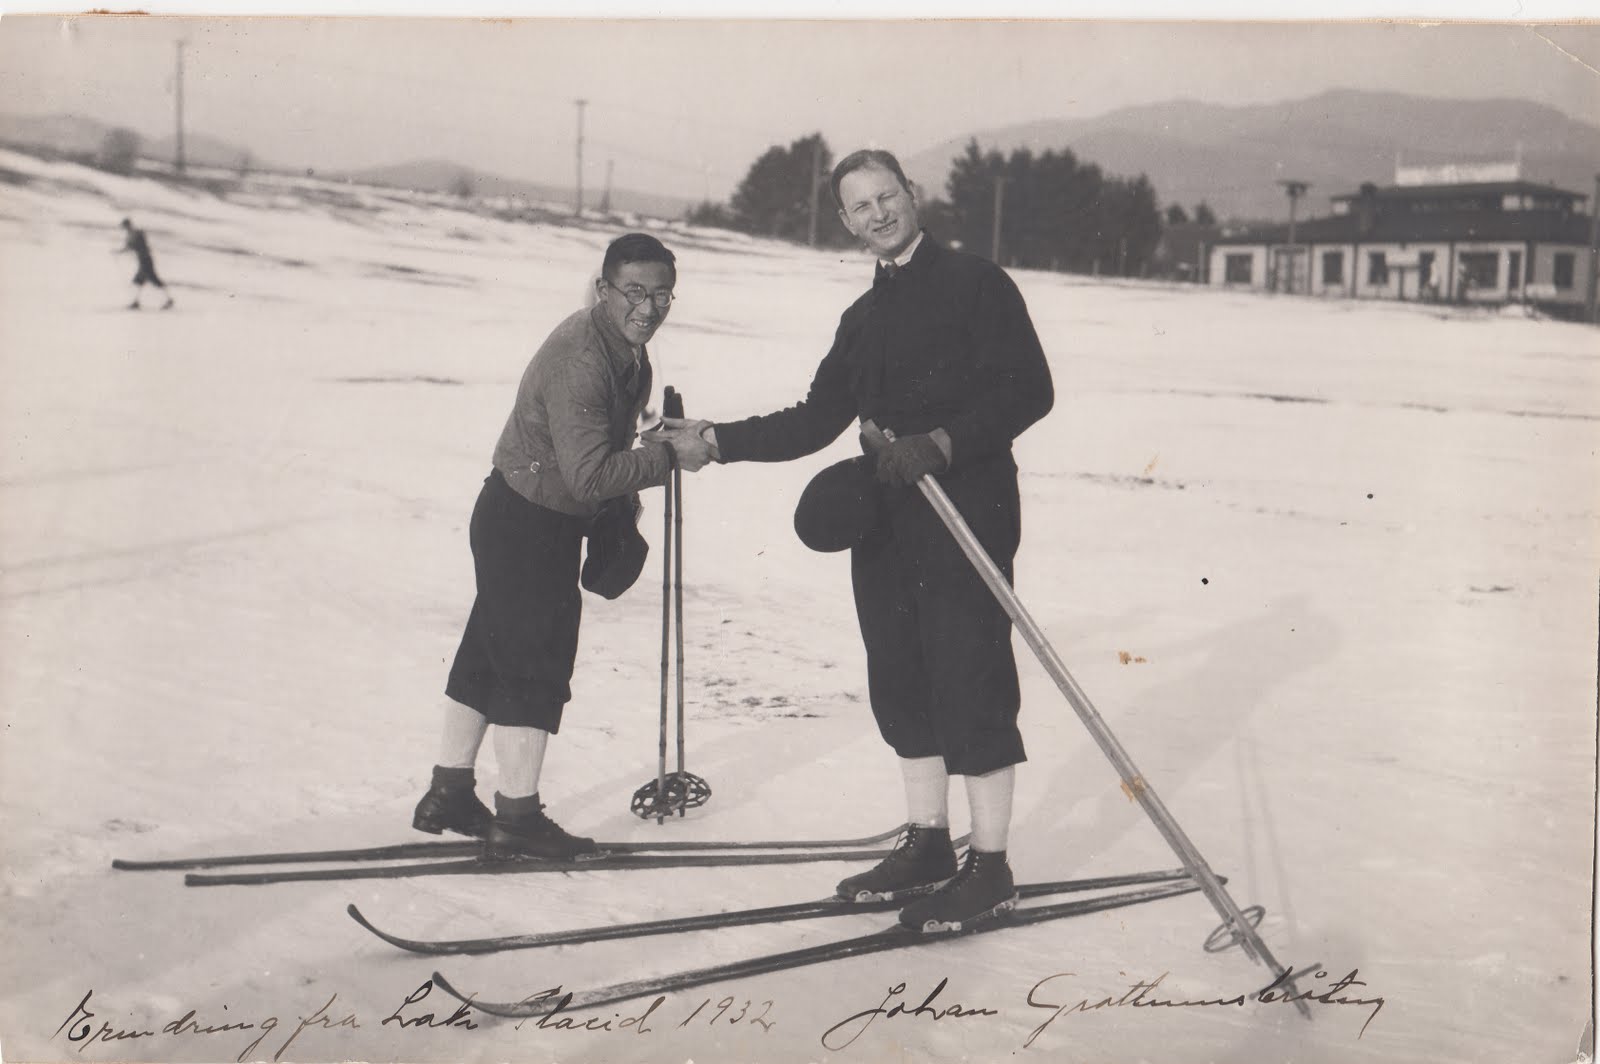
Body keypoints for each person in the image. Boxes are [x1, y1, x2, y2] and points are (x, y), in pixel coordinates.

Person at [647, 149, 1053, 931]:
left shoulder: (978, 284)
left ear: (913, 194)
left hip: (965, 505)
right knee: (900, 677)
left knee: (969, 677)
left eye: (887, 196)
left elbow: (1028, 389)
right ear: (845, 221)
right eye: (860, 206)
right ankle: (930, 844)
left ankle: (991, 867)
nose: (878, 214)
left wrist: (942, 439)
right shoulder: (862, 318)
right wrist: (712, 439)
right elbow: (812, 418)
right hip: (888, 517)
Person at [412, 232, 708, 860]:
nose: (649, 308)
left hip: (523, 516)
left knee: (489, 657)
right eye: (634, 291)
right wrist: (663, 459)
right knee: (532, 668)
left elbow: (599, 443)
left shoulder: (625, 351)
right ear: (603, 289)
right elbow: (591, 475)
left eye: (662, 295)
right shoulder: (584, 357)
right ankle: (517, 818)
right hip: (529, 523)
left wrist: (651, 441)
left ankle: (449, 793)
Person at [117, 218, 174, 310]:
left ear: (128, 225)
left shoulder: (136, 234)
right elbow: (130, 247)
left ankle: (168, 300)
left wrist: (121, 251)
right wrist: (120, 251)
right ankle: (136, 302)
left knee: (152, 281)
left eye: (124, 226)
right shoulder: (133, 234)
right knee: (138, 282)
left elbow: (133, 246)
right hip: (143, 260)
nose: (124, 229)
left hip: (145, 260)